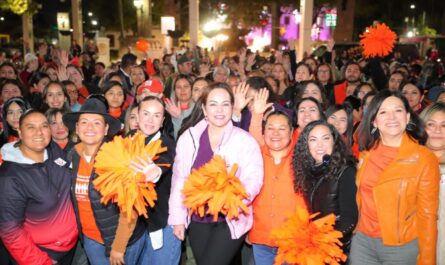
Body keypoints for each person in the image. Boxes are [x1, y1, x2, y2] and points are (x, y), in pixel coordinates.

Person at [168, 83, 264, 265]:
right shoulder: (188, 138)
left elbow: (255, 178)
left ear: (232, 107)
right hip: (197, 219)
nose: (219, 110)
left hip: (231, 219)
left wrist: (234, 200)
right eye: (213, 104)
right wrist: (178, 218)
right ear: (204, 108)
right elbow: (179, 180)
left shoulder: (244, 140)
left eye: (225, 104)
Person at [351, 90, 439, 265]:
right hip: (362, 242)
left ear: (407, 117)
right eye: (383, 112)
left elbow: (427, 216)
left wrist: (427, 259)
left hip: (401, 247)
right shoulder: (366, 153)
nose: (391, 117)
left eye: (398, 111)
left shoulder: (424, 158)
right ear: (375, 121)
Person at [63, 98, 147, 265]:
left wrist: (118, 246)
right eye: (84, 122)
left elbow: (130, 208)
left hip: (123, 241)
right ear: (77, 128)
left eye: (96, 123)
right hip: (91, 239)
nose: (89, 128)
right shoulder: (73, 155)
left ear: (106, 128)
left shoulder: (119, 156)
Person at [0, 110, 78, 264]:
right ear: (20, 133)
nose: (39, 132)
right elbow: (10, 232)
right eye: (31, 127)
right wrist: (42, 262)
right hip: (44, 254)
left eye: (44, 126)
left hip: (72, 247)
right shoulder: (10, 177)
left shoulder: (53, 149)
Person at [247, 88, 305, 265]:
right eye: (270, 128)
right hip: (261, 238)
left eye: (282, 128)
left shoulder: (302, 158)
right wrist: (256, 114)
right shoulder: (255, 156)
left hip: (293, 240)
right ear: (264, 133)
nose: (275, 133)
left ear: (291, 132)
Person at [293, 120, 358, 256]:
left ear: (334, 141)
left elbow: (350, 218)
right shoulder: (308, 171)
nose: (320, 144)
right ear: (306, 145)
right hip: (317, 246)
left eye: (325, 138)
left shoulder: (346, 171)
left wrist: (324, 242)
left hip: (338, 249)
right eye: (313, 139)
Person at [136, 96, 181, 264]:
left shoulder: (166, 143)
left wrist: (154, 171)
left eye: (156, 115)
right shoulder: (128, 140)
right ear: (137, 115)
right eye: (146, 113)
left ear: (162, 121)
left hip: (162, 222)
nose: (150, 120)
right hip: (137, 224)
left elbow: (163, 162)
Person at [419, 102, 445, 264]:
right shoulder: (408, 163)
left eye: (444, 125)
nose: (437, 130)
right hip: (415, 246)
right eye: (431, 124)